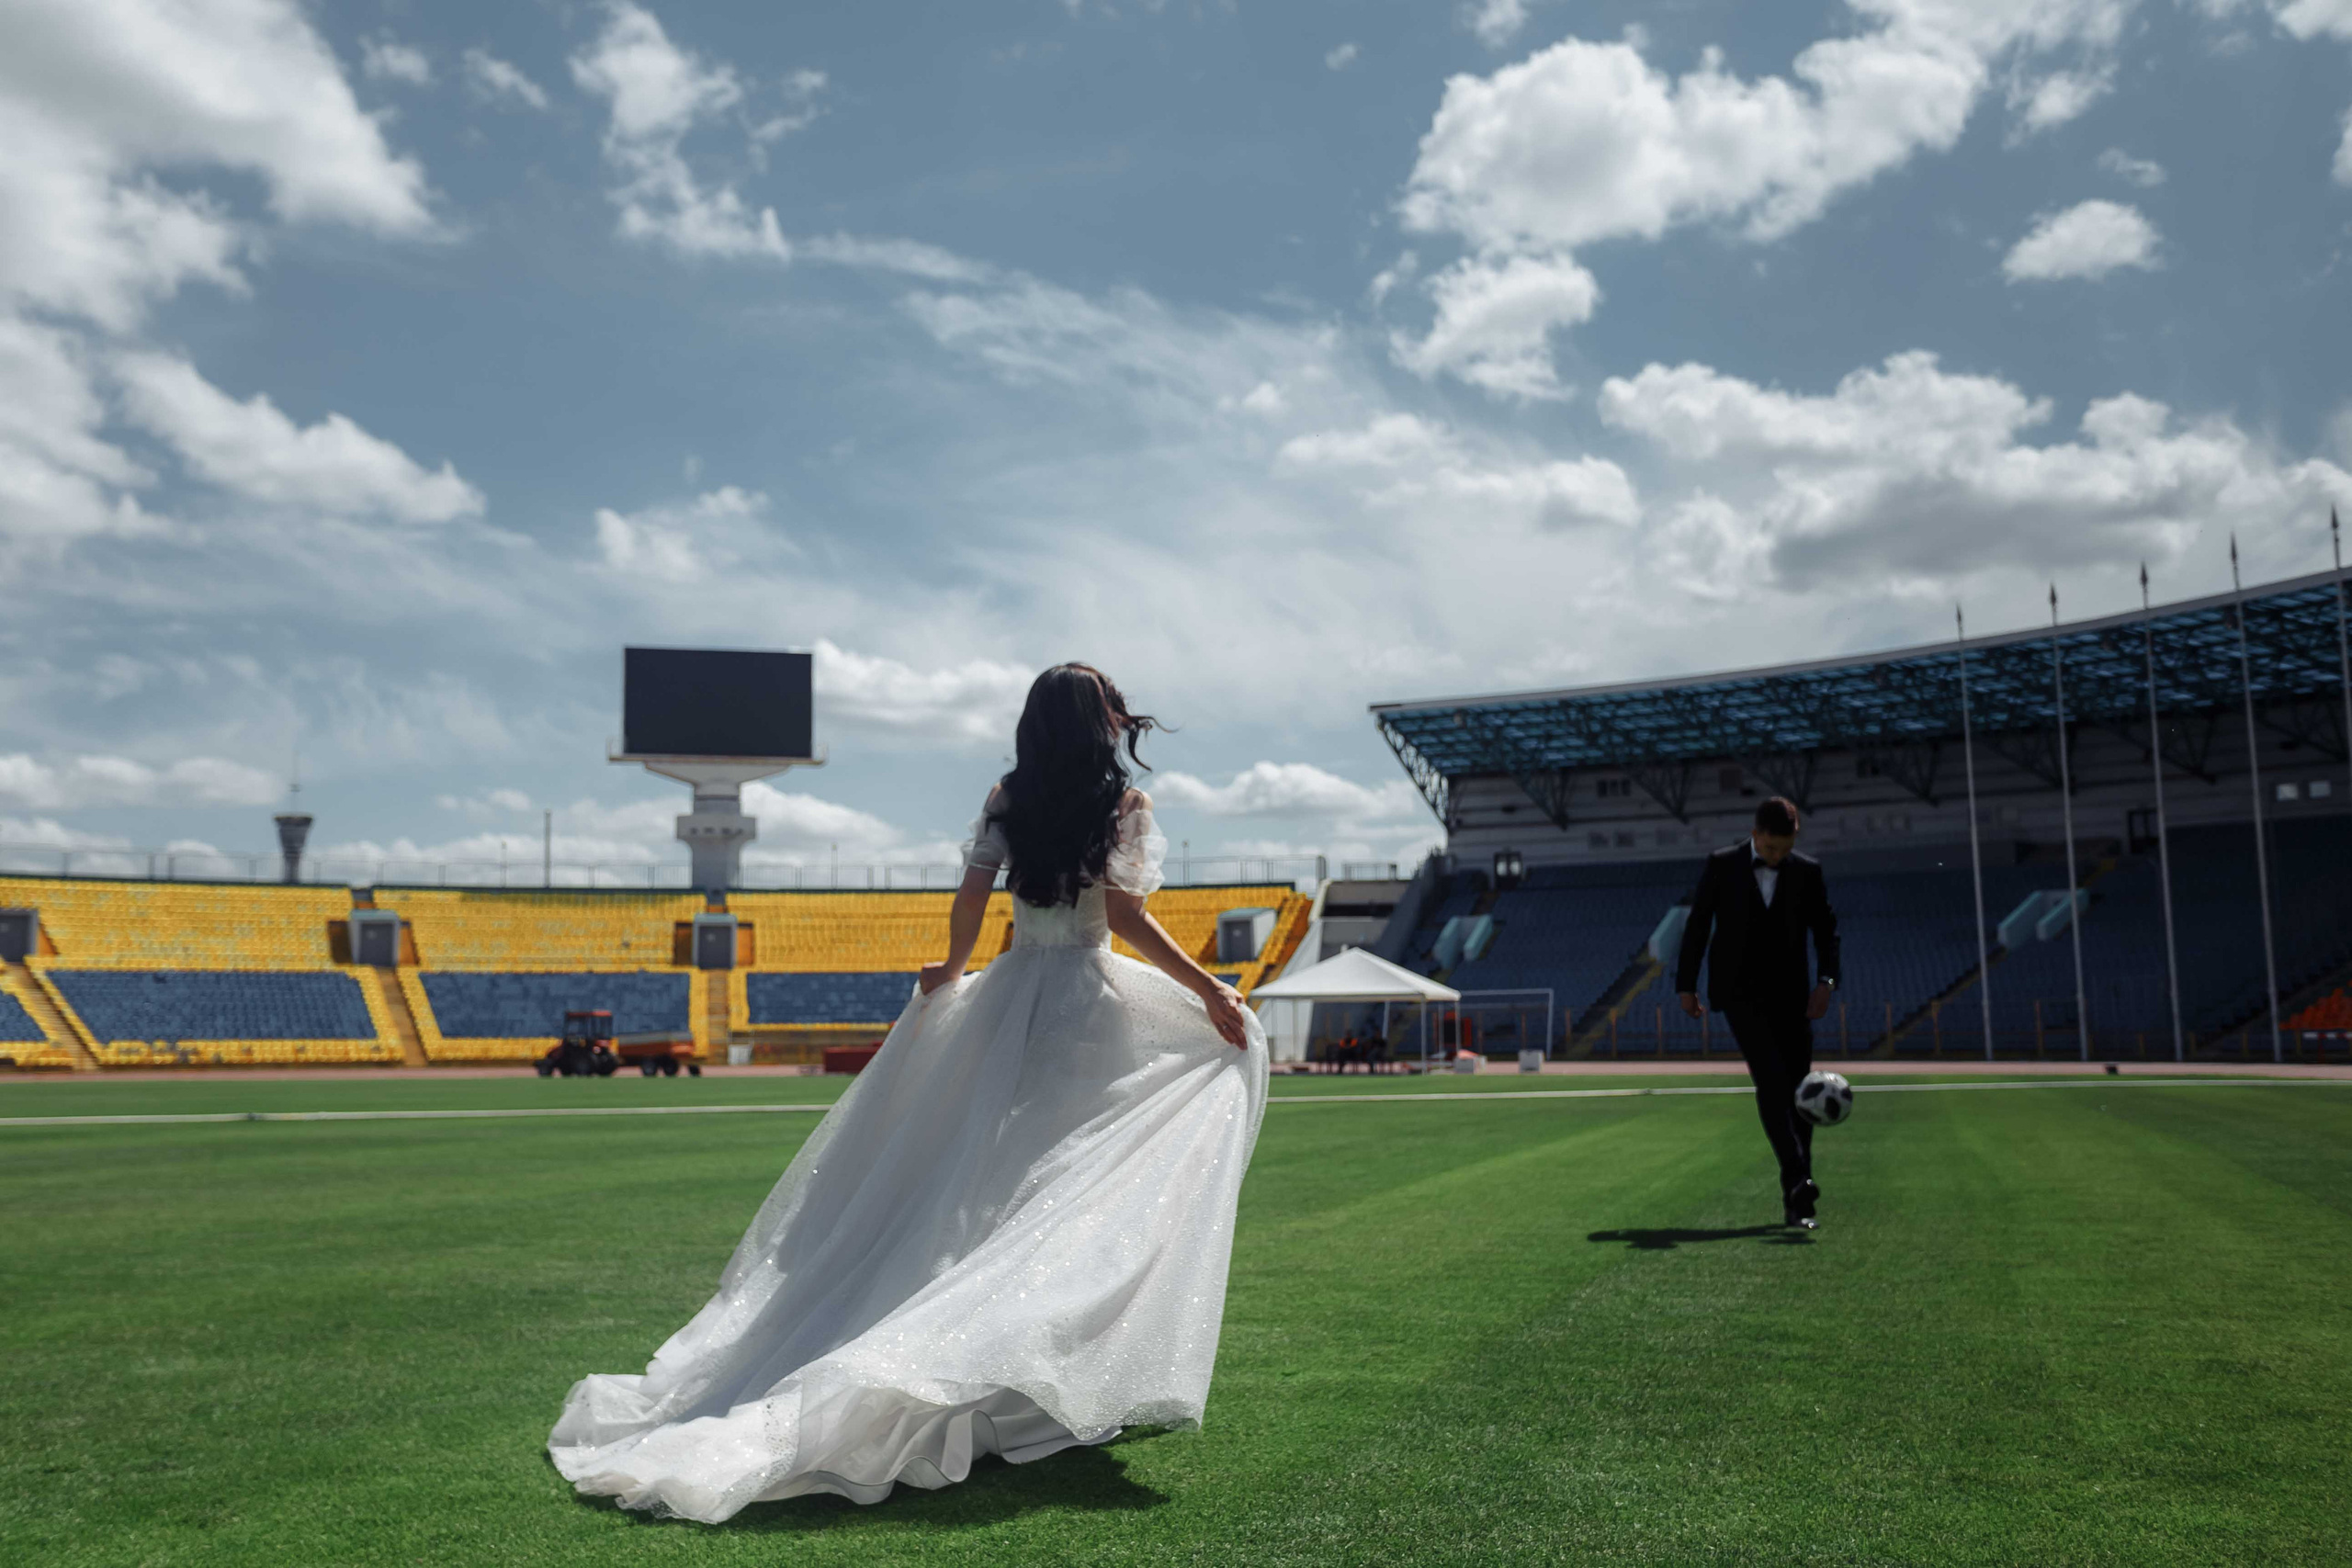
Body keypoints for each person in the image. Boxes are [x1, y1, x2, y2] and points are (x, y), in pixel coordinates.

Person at [549, 664, 1266, 1520]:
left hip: (1011, 996)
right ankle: (1016, 1358)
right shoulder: (1124, 807)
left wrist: (954, 975)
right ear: (1098, 719)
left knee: (994, 1184)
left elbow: (972, 900)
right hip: (1086, 1002)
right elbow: (1122, 918)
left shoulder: (1009, 795)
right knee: (1069, 1182)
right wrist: (1210, 989)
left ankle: (1000, 1352)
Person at [1674, 796, 1841, 1231]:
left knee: (1801, 1093)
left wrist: (1826, 982)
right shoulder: (1721, 864)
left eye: (1785, 850)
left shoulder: (1808, 871)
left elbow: (1826, 931)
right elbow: (1698, 925)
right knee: (1770, 1081)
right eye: (1770, 850)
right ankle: (1800, 1179)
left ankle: (1797, 1201)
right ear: (1755, 835)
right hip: (1739, 994)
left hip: (1792, 996)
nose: (1777, 857)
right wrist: (1685, 985)